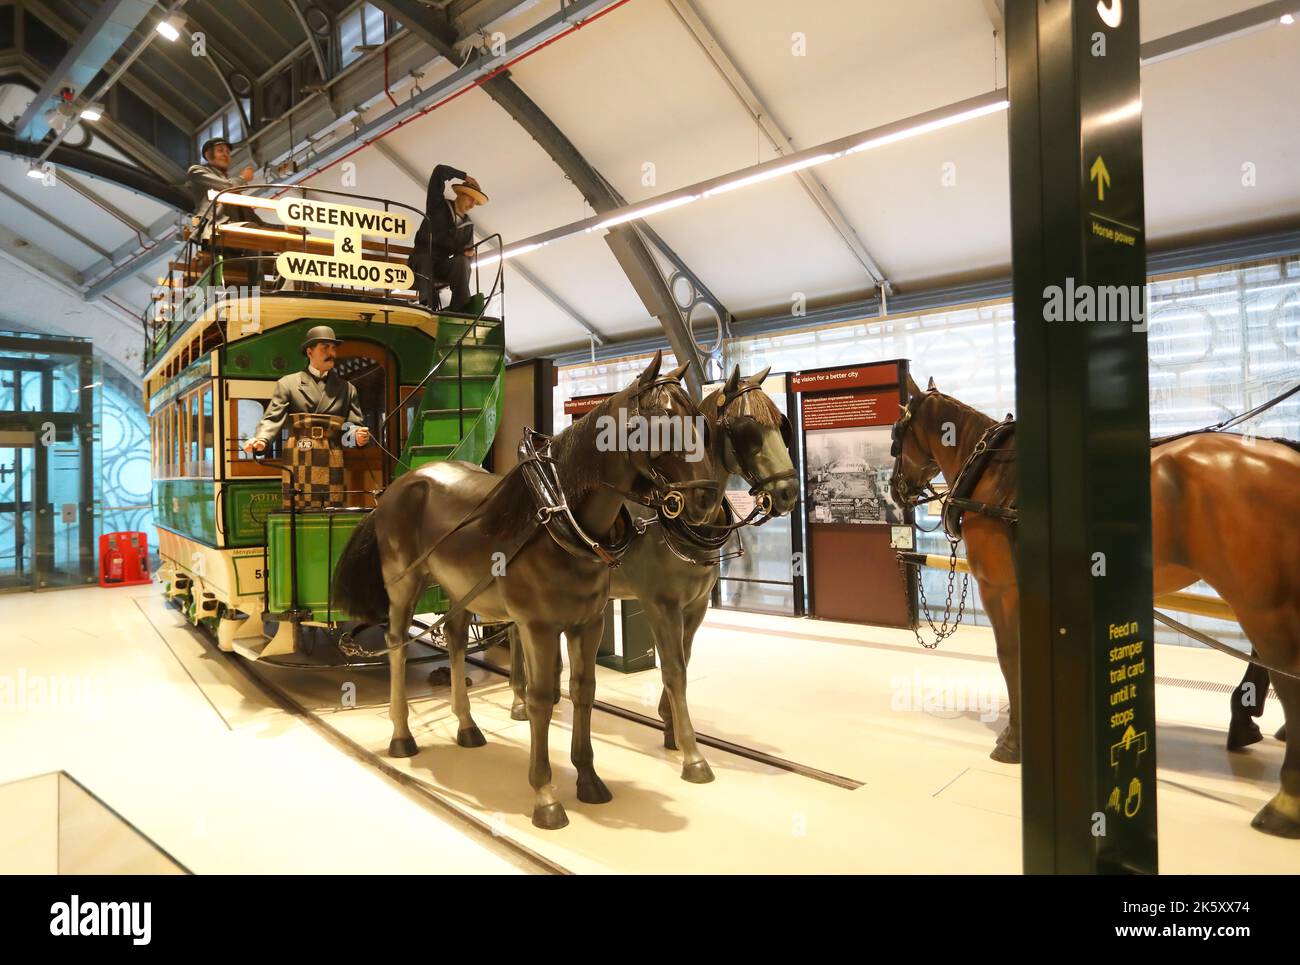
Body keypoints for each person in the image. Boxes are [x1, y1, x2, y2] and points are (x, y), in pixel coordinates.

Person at [243, 326, 371, 455]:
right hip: (298, 455)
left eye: (333, 348)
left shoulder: (347, 389)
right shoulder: (288, 384)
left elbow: (351, 427)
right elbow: (273, 418)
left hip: (332, 458)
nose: (331, 353)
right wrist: (262, 440)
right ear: (310, 352)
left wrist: (357, 437)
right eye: (325, 348)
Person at [410, 163, 488, 311]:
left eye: (475, 203)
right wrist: (464, 176)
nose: (472, 205)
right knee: (424, 259)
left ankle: (460, 306)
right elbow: (439, 171)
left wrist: (467, 255)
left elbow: (463, 256)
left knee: (462, 262)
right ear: (460, 194)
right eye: (471, 199)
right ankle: (427, 306)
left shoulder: (468, 225)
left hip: (441, 265)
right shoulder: (437, 205)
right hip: (420, 262)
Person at [186, 137, 266, 229]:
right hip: (213, 226)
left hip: (234, 227)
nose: (225, 154)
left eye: (228, 152)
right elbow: (228, 186)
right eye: (220, 151)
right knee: (251, 228)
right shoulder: (196, 171)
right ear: (208, 155)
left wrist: (282, 228)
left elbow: (255, 220)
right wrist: (243, 178)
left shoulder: (233, 188)